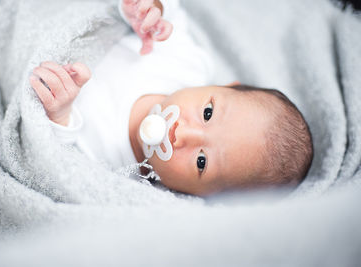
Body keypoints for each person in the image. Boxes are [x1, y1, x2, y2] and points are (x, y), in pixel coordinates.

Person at [29, 0, 313, 196]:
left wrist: (60, 113)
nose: (182, 134)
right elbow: (170, 13)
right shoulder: (185, 64)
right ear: (225, 86)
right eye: (208, 114)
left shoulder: (123, 176)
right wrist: (148, 12)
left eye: (201, 161)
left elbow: (59, 160)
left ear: (197, 194)